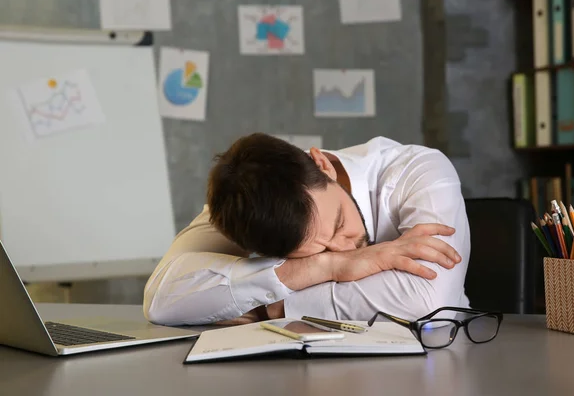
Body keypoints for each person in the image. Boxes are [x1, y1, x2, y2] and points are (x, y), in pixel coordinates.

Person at [143, 134, 470, 326]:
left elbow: (430, 303)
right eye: (317, 250)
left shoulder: (419, 170)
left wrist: (268, 307)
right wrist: (329, 268)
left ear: (322, 165)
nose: (344, 248)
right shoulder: (247, 203)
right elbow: (162, 300)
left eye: (340, 222)